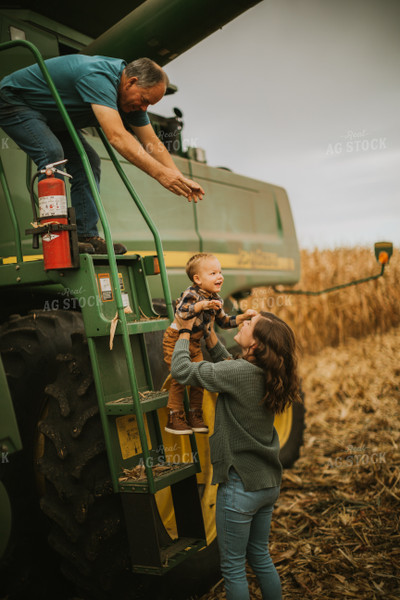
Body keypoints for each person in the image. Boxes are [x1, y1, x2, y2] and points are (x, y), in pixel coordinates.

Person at [0, 55, 204, 254]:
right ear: (131, 82)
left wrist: (179, 177)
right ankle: (55, 237)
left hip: (52, 118)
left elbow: (152, 141)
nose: (143, 108)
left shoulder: (131, 96)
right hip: (13, 101)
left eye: (149, 105)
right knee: (52, 154)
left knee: (88, 162)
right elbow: (117, 136)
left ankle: (85, 235)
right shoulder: (98, 76)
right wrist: (161, 174)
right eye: (143, 100)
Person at [170, 310, 301, 600]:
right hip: (266, 484)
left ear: (256, 346)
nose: (243, 322)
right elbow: (228, 367)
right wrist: (210, 335)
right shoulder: (266, 374)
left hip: (240, 489)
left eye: (250, 324)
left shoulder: (239, 373)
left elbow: (182, 371)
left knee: (231, 567)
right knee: (260, 557)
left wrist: (181, 331)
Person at [163, 252, 256, 435]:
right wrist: (202, 306)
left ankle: (195, 414)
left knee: (198, 378)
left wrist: (243, 317)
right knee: (179, 378)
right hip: (176, 339)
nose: (219, 276)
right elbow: (182, 312)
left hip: (195, 343)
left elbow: (224, 322)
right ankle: (174, 416)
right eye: (213, 273)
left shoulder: (216, 299)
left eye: (220, 272)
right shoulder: (191, 295)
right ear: (197, 279)